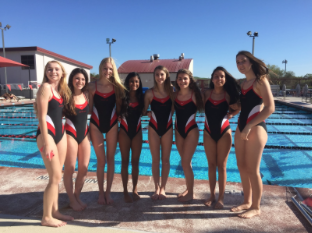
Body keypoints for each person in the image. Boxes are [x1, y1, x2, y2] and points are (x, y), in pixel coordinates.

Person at [231, 51, 275, 218]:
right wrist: (232, 110)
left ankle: (256, 207)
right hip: (241, 126)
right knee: (241, 166)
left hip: (255, 127)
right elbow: (245, 106)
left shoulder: (260, 80)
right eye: (237, 62)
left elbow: (270, 108)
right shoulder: (243, 84)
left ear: (251, 62)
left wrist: (250, 125)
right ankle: (247, 201)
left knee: (252, 169)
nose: (240, 64)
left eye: (243, 61)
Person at [35, 60, 73, 227]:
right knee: (55, 177)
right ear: (46, 72)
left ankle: (55, 210)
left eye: (56, 69)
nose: (53, 72)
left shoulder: (60, 90)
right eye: (49, 69)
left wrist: (63, 135)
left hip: (60, 134)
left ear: (62, 72)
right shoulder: (45, 88)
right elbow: (42, 117)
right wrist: (47, 141)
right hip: (47, 134)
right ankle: (46, 217)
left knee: (58, 175)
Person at [88, 57, 126, 205]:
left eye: (110, 69)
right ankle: (100, 193)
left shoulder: (117, 87)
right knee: (101, 160)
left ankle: (108, 193)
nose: (108, 71)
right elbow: (90, 109)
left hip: (111, 125)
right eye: (105, 68)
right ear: (100, 68)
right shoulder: (92, 87)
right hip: (95, 125)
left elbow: (119, 109)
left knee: (111, 160)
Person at [203, 67, 241, 209]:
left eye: (222, 76)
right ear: (212, 79)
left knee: (222, 166)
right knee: (211, 165)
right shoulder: (206, 94)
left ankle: (221, 198)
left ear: (225, 79)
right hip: (208, 132)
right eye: (216, 76)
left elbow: (239, 106)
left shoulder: (228, 95)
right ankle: (212, 195)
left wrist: (232, 114)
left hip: (224, 132)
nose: (219, 79)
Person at [143, 66, 174, 200]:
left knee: (166, 161)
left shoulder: (172, 92)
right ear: (154, 76)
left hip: (168, 127)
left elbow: (174, 109)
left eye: (162, 74)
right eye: (157, 74)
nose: (159, 77)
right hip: (153, 128)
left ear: (166, 76)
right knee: (156, 160)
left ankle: (163, 188)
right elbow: (143, 110)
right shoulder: (150, 93)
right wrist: (147, 112)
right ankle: (156, 188)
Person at [174, 69, 204, 202]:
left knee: (185, 162)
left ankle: (191, 193)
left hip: (191, 130)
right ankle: (188, 189)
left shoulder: (194, 95)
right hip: (178, 131)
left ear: (190, 80)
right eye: (179, 78)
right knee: (186, 162)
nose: (182, 81)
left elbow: (207, 108)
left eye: (185, 78)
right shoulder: (175, 95)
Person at [63, 68, 91, 211]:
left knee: (84, 169)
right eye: (77, 78)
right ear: (72, 79)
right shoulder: (66, 96)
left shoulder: (86, 95)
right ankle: (72, 200)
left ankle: (77, 196)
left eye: (83, 79)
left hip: (84, 134)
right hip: (70, 134)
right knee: (70, 169)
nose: (80, 81)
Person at [119, 72, 144, 203]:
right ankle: (125, 190)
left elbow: (144, 111)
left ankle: (134, 189)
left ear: (139, 83)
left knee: (135, 162)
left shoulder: (142, 97)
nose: (134, 84)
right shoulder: (122, 97)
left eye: (136, 82)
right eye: (131, 81)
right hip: (124, 131)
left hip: (137, 132)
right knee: (124, 162)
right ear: (127, 83)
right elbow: (117, 111)